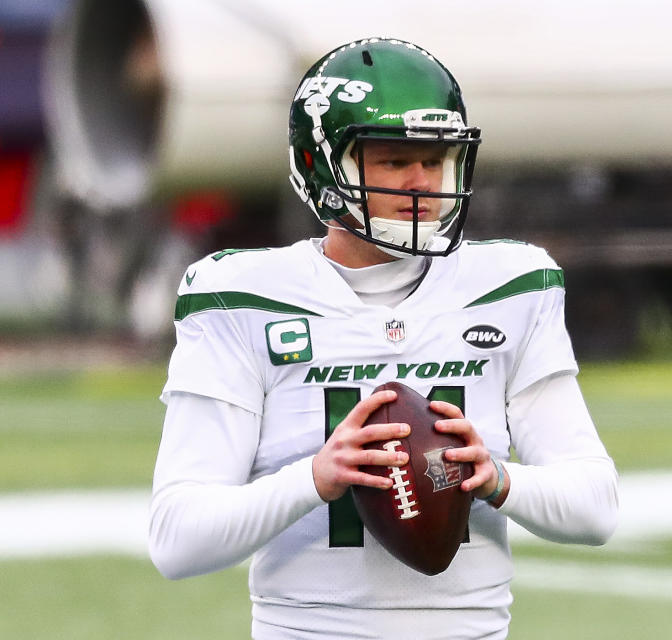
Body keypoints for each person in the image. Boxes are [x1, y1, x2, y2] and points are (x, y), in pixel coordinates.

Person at [149, 37, 619, 640]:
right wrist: (314, 478)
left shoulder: (510, 286)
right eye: (396, 160)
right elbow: (176, 539)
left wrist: (499, 479)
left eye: (438, 157)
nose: (423, 182)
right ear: (322, 167)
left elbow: (595, 507)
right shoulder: (240, 297)